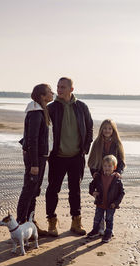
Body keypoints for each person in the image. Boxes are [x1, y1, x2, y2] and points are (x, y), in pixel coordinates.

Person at [46, 77, 93, 236]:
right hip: (57, 157)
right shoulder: (51, 108)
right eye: (58, 87)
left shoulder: (81, 107)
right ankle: (52, 222)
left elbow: (90, 128)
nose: (59, 90)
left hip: (76, 157)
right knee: (53, 189)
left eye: (62, 87)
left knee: (75, 190)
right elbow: (41, 128)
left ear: (71, 89)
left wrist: (85, 149)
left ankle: (76, 221)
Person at [16, 84, 53, 235]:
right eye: (50, 92)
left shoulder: (40, 111)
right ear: (43, 96)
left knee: (34, 190)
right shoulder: (36, 113)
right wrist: (34, 164)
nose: (53, 94)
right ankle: (21, 224)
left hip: (39, 157)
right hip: (36, 158)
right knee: (29, 190)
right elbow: (32, 140)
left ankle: (30, 224)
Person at [87, 119, 125, 235]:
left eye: (109, 128)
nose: (107, 130)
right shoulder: (97, 143)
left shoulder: (117, 143)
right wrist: (94, 173)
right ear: (101, 130)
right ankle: (98, 227)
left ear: (113, 130)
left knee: (109, 201)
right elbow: (92, 160)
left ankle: (108, 229)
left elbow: (122, 161)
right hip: (100, 176)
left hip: (112, 176)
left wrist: (119, 172)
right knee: (100, 202)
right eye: (105, 128)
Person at [88, 155, 125, 242]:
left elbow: (122, 193)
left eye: (109, 166)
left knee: (109, 219)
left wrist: (116, 203)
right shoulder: (98, 177)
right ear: (102, 166)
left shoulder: (117, 180)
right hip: (100, 202)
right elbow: (91, 186)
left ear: (114, 167)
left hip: (111, 204)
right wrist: (93, 192)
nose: (107, 168)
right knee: (97, 218)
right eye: (105, 166)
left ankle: (108, 233)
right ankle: (95, 230)